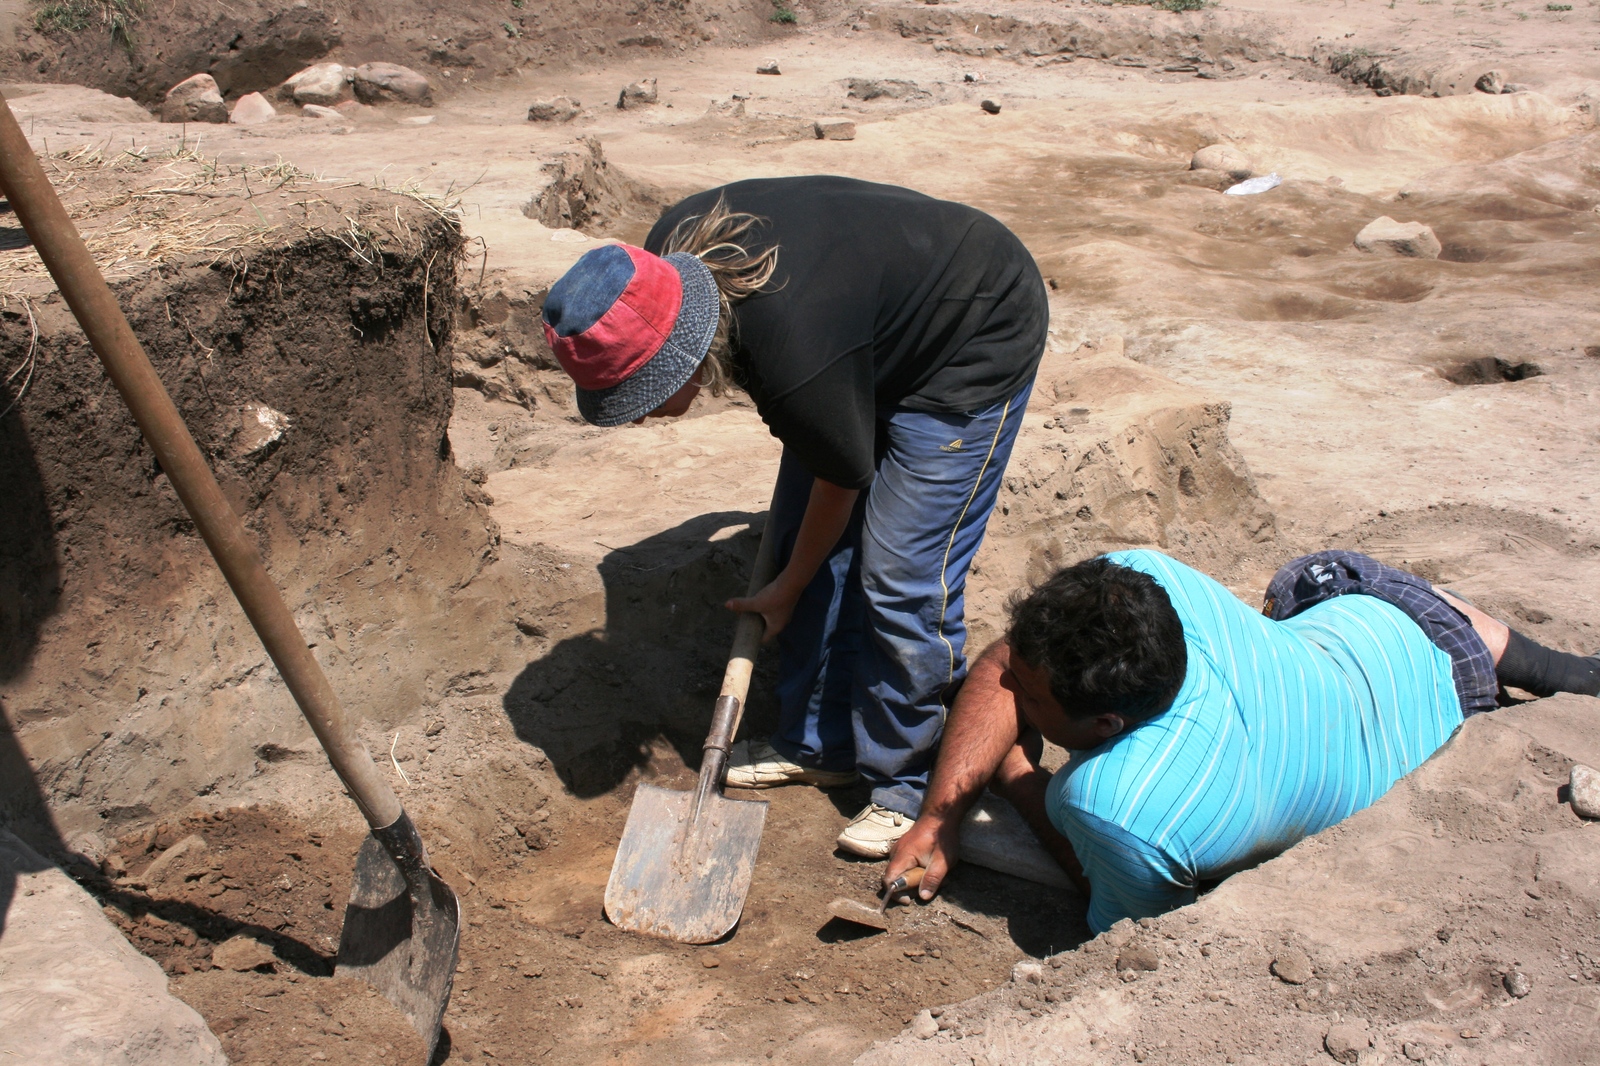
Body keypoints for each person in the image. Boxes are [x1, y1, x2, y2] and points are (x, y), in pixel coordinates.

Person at [540, 176, 1049, 857]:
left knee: (899, 575)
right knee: (800, 538)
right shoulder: (657, 266)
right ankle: (821, 743)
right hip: (858, 333)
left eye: (644, 393)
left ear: (685, 353)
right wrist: (796, 561)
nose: (642, 413)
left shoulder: (791, 349)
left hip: (971, 331)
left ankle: (914, 780)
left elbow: (839, 479)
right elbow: (824, 450)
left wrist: (789, 584)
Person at [885, 548, 1600, 932]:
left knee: (1308, 588)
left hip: (1433, 707)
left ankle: (1550, 671)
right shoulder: (1142, 581)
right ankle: (1552, 669)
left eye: (1033, 699)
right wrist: (941, 816)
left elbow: (1124, 910)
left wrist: (1013, 775)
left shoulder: (1120, 807)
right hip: (1384, 629)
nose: (1014, 692)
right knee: (1329, 585)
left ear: (1106, 726)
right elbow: (1007, 659)